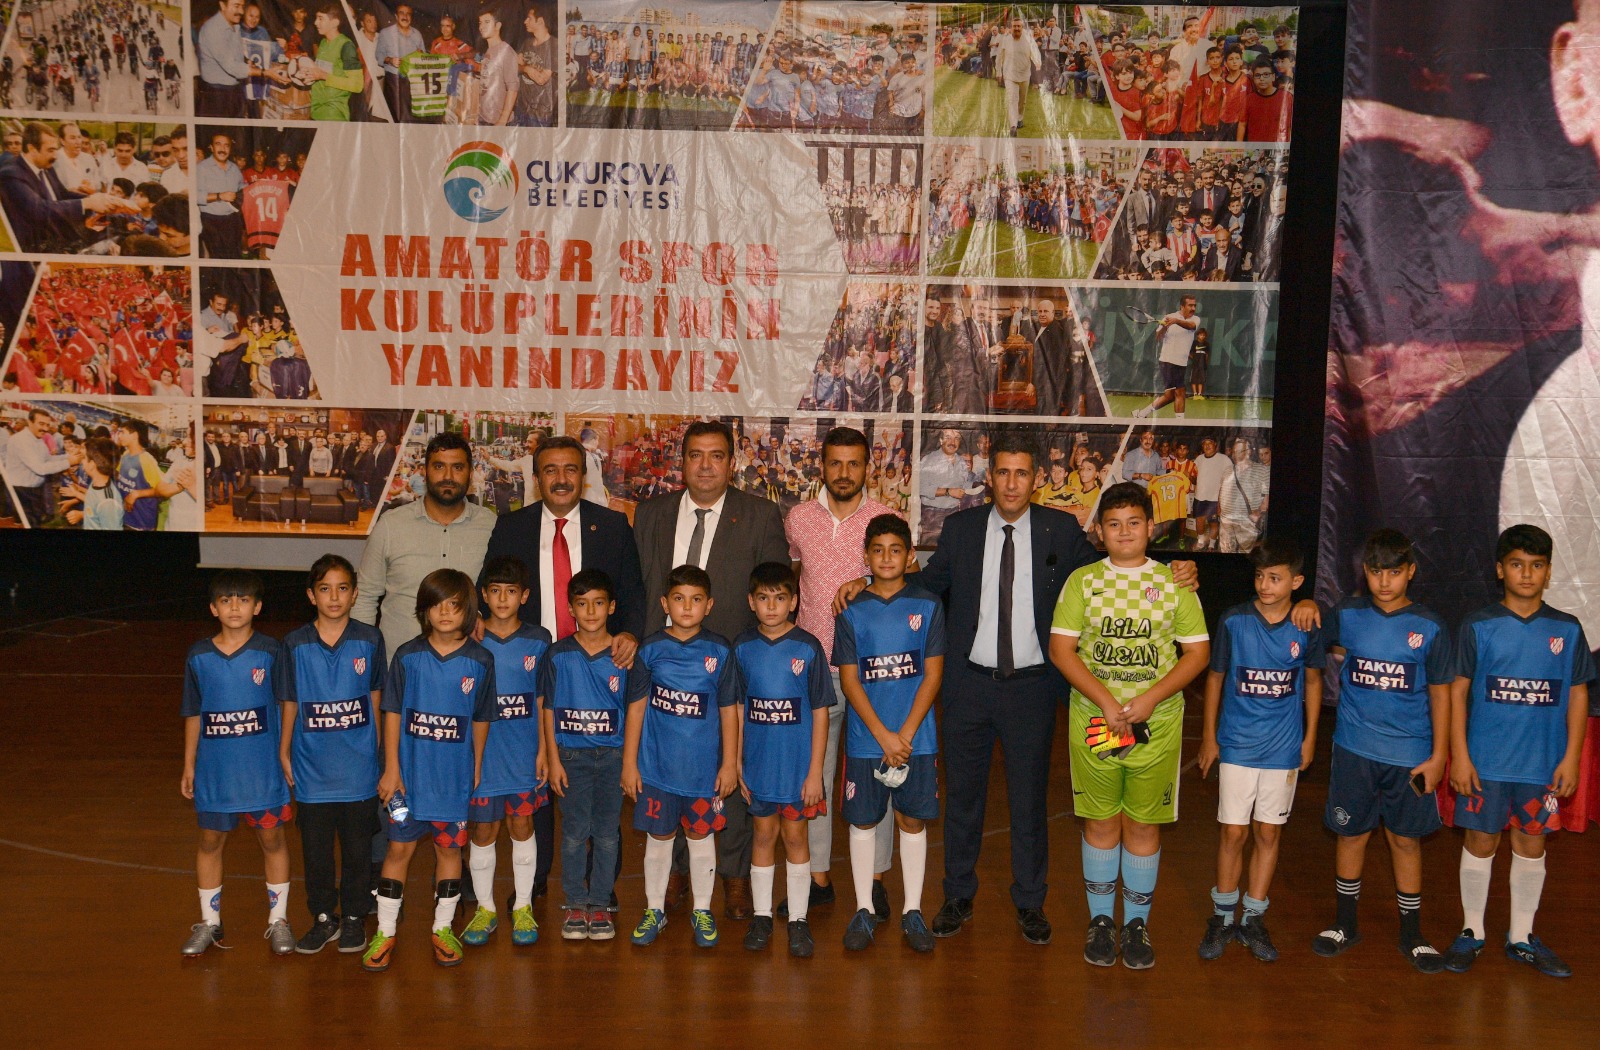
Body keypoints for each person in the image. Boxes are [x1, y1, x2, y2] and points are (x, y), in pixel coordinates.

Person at [1050, 482, 1209, 970]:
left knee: (1142, 824)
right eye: (1113, 524)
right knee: (1100, 821)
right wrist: (1105, 701)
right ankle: (1101, 921)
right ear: (1099, 531)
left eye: (1134, 523)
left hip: (1156, 726)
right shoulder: (1082, 582)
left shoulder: (1174, 583)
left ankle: (1137, 924)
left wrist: (1149, 698)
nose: (1124, 532)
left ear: (1151, 528)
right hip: (1095, 723)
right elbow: (1061, 649)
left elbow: (1197, 653)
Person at [632, 421, 788, 919]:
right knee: (670, 767)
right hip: (663, 667)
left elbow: (773, 589)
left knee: (728, 769)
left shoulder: (760, 515)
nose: (705, 465)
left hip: (730, 666)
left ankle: (735, 876)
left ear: (731, 463)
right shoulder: (651, 513)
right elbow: (638, 587)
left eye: (716, 456)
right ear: (681, 462)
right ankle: (677, 873)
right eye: (695, 455)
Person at [481, 434, 646, 901]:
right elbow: (488, 588)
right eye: (550, 470)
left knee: (596, 781)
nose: (561, 478)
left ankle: (600, 885)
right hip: (532, 666)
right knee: (539, 772)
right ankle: (533, 881)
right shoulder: (511, 527)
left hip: (595, 669)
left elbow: (632, 592)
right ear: (536, 478)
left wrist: (630, 634)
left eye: (570, 469)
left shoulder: (611, 525)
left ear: (584, 475)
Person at [1443, 524, 1591, 978]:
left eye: (1536, 565)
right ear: (1499, 570)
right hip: (1485, 764)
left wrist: (1571, 757)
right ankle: (1472, 931)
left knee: (1531, 842)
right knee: (1480, 840)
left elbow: (1578, 694)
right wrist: (1460, 756)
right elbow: (1457, 692)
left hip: (1541, 766)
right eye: (1517, 564)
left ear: (1548, 572)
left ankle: (1522, 937)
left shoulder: (1566, 629)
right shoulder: (1479, 625)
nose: (1526, 574)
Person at [1314, 529, 1452, 972]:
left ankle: (1412, 934)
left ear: (1411, 571)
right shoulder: (1347, 614)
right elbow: (1307, 638)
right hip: (1354, 749)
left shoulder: (1429, 626)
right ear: (1365, 572)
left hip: (1410, 756)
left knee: (1404, 840)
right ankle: (1345, 923)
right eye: (1376, 572)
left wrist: (1439, 756)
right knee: (1351, 834)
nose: (1385, 581)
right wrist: (1305, 607)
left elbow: (1442, 695)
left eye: (1394, 572)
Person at [783, 427, 899, 916]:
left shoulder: (885, 519)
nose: (844, 473)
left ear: (867, 468)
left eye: (854, 463)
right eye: (835, 463)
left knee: (877, 772)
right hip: (815, 670)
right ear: (822, 466)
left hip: (872, 670)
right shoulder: (799, 519)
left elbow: (907, 576)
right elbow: (794, 575)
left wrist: (866, 578)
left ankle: (875, 879)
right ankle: (818, 877)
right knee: (815, 775)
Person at [1196, 538, 1324, 962]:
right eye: (1259, 577)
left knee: (1268, 832)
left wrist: (1309, 738)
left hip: (1283, 748)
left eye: (1275, 578)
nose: (1265, 586)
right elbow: (1215, 677)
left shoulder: (1306, 624)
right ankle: (1222, 917)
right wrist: (1210, 737)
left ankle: (1253, 918)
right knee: (1233, 832)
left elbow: (1313, 681)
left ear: (1296, 582)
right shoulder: (1235, 620)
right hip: (1237, 744)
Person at [364, 569, 496, 972]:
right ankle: (385, 931)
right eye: (436, 604)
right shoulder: (408, 656)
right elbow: (391, 712)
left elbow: (481, 718)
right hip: (408, 781)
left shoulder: (480, 660)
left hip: (452, 781)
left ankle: (442, 928)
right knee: (398, 849)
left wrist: (476, 764)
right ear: (424, 609)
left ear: (468, 610)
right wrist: (391, 768)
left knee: (449, 849)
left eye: (454, 605)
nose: (445, 612)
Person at [832, 515, 945, 953]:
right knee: (863, 820)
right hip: (867, 740)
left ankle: (912, 910)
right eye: (877, 550)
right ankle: (864, 908)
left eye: (895, 550)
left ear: (910, 555)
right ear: (865, 556)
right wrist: (883, 736)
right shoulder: (851, 610)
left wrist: (906, 735)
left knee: (911, 820)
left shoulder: (928, 605)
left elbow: (932, 675)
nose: (886, 558)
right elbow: (850, 681)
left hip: (917, 740)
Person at [622, 565, 741, 949]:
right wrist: (629, 763)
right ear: (664, 603)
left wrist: (729, 763)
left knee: (701, 836)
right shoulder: (650, 649)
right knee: (658, 837)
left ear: (709, 605)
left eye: (695, 599)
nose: (687, 607)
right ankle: (654, 908)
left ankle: (702, 909)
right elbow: (636, 709)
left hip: (703, 772)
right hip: (657, 769)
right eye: (678, 598)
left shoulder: (720, 651)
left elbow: (729, 710)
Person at [178, 570, 294, 957]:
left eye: (243, 599)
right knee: (210, 841)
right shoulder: (198, 655)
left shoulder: (271, 651)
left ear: (257, 607)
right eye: (225, 600)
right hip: (216, 773)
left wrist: (284, 753)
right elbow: (193, 713)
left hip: (262, 772)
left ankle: (279, 920)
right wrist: (189, 764)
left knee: (273, 840)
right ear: (213, 608)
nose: (234, 607)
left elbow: (287, 705)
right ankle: (210, 922)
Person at [278, 554, 385, 955]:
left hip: (358, 769)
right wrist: (284, 750)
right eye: (325, 589)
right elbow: (289, 700)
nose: (334, 597)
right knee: (317, 853)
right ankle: (325, 918)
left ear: (355, 594)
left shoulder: (369, 640)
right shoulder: (295, 643)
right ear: (311, 595)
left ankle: (355, 916)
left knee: (358, 850)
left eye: (342, 588)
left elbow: (376, 697)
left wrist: (378, 753)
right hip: (312, 769)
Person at [541, 569, 646, 941]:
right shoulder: (558, 654)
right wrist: (553, 759)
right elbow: (548, 709)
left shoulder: (624, 656)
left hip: (612, 757)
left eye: (598, 603)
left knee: (606, 834)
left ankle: (600, 903)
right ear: (571, 608)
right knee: (573, 833)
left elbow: (634, 710)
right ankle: (574, 903)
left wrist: (629, 763)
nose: (590, 611)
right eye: (582, 604)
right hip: (571, 757)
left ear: (611, 607)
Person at [732, 562, 831, 957]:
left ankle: (799, 920)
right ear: (751, 602)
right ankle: (761, 915)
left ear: (793, 602)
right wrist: (737, 761)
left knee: (795, 837)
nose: (771, 606)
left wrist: (815, 773)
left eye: (779, 598)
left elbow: (821, 713)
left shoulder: (808, 647)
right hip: (759, 764)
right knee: (762, 835)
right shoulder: (743, 647)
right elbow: (738, 709)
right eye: (763, 598)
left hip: (796, 769)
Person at [461, 556, 553, 949]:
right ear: (483, 595)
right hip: (483, 757)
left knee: (522, 825)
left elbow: (544, 699)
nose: (502, 599)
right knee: (483, 830)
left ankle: (523, 906)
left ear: (524, 596)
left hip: (523, 753)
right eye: (495, 591)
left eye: (511, 592)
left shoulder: (540, 639)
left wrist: (544, 750)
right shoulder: (470, 638)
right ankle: (485, 908)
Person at [354, 431, 496, 661]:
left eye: (457, 467)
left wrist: (478, 612)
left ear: (470, 473)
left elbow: (500, 593)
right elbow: (364, 597)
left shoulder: (490, 526)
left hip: (467, 671)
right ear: (425, 471)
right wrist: (363, 661)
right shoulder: (391, 525)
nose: (448, 476)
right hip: (398, 669)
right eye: (439, 466)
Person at [0, 122, 125, 253]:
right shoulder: (11, 175)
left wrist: (97, 199)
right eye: (50, 150)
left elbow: (62, 194)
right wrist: (86, 203)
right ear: (32, 149)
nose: (55, 156)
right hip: (32, 248)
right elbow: (39, 210)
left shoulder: (45, 166)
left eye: (55, 150)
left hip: (57, 237)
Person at [1135, 295, 1199, 419]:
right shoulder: (1169, 317)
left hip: (1182, 363)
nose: (1193, 308)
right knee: (1180, 392)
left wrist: (1176, 321)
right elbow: (1158, 337)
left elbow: (1191, 326)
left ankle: (1141, 414)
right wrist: (1165, 326)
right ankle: (1179, 422)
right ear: (1182, 306)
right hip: (1168, 361)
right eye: (1190, 305)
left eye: (1194, 305)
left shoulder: (1195, 319)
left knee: (1170, 396)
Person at [306, 5, 363, 121]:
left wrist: (323, 75)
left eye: (320, 18)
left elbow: (357, 85)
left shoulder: (346, 46)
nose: (315, 22)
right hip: (316, 109)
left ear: (334, 23)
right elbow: (323, 72)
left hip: (333, 113)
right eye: (316, 18)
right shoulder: (323, 42)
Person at [374, 3, 424, 123]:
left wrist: (421, 54)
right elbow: (379, 56)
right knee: (394, 115)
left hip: (413, 80)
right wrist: (390, 60)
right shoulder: (385, 33)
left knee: (412, 115)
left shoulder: (417, 34)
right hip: (393, 80)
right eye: (402, 13)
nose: (405, 16)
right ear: (396, 16)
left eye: (408, 14)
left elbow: (423, 55)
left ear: (411, 17)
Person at [1218, 437, 1270, 553]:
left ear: (1249, 452)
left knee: (1246, 552)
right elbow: (1221, 490)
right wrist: (1220, 510)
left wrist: (1258, 513)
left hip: (1246, 521)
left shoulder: (1262, 470)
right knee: (1226, 550)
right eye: (1234, 451)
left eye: (1239, 451)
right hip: (1226, 520)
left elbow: (1266, 497)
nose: (1235, 454)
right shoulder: (1227, 470)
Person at [197, 133, 244, 259]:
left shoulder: (234, 168)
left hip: (233, 220)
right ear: (211, 147)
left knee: (235, 258)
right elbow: (195, 196)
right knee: (218, 260)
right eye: (218, 144)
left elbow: (242, 188)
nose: (222, 149)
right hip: (211, 221)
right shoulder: (201, 168)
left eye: (226, 145)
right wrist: (219, 196)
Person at [996, 18, 1041, 136]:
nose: (1016, 28)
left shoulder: (1028, 38)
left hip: (1024, 74)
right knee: (1012, 99)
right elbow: (999, 56)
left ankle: (1020, 117)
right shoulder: (1005, 39)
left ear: (1022, 27)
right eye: (1014, 26)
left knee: (1022, 100)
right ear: (1011, 27)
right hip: (1009, 75)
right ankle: (1013, 126)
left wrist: (1037, 62)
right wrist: (998, 72)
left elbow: (1035, 51)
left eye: (1018, 26)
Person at [477, 10, 519, 127]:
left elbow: (513, 88)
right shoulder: (489, 50)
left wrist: (502, 121)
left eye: (487, 22)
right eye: (480, 23)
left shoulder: (506, 51)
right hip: (484, 117)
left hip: (497, 121)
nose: (481, 27)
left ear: (498, 25)